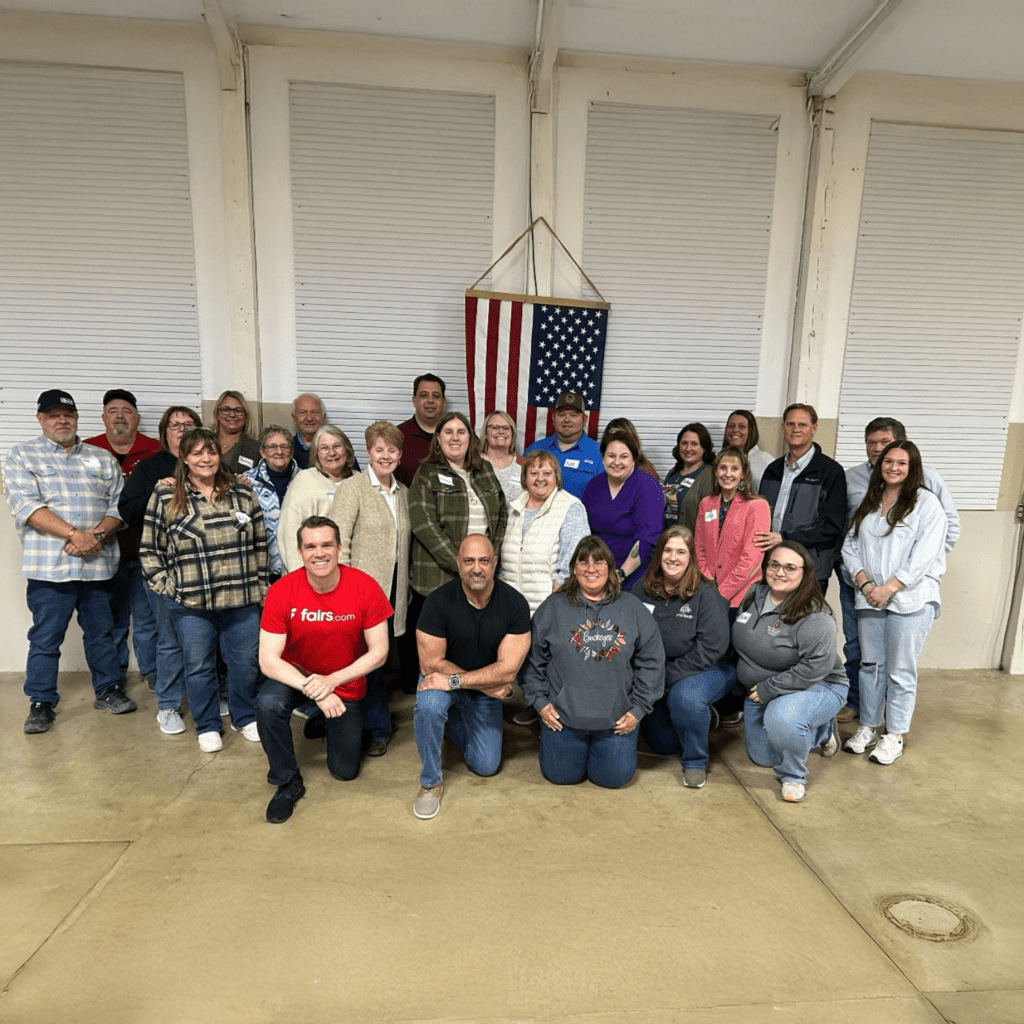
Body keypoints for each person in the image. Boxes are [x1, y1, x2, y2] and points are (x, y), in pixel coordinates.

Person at [6, 389, 136, 734]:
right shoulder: (22, 456)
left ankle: (108, 690)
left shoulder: (101, 458)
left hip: (98, 565)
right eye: (52, 415)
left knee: (102, 634)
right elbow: (27, 507)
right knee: (46, 638)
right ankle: (41, 702)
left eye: (67, 415)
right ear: (40, 419)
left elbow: (118, 507)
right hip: (50, 570)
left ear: (77, 418)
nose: (61, 421)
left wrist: (94, 536)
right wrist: (74, 534)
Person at [257, 516, 392, 823]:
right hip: (297, 677)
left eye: (326, 545)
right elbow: (268, 660)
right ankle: (286, 781)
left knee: (345, 771)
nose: (319, 553)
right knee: (268, 704)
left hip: (344, 681)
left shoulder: (365, 586)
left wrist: (332, 681)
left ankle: (323, 720)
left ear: (340, 548)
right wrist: (315, 689)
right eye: (311, 546)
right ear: (300, 552)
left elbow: (380, 651)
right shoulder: (282, 591)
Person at [141, 426, 268, 752]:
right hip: (191, 603)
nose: (206, 458)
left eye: (211, 452)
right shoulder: (166, 495)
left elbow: (258, 544)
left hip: (241, 599)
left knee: (244, 663)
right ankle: (208, 725)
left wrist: (261, 586)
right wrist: (167, 587)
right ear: (184, 457)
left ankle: (244, 717)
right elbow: (150, 549)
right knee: (199, 667)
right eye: (197, 452)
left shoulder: (241, 491)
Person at [835, 416, 959, 721]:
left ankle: (895, 729)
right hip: (865, 591)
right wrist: (865, 583)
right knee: (865, 658)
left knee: (900, 667)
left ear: (908, 460)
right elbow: (849, 540)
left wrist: (906, 576)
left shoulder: (927, 493)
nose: (884, 457)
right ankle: (866, 717)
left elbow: (939, 539)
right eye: (873, 445)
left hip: (908, 593)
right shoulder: (864, 491)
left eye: (889, 448)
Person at [521, 536, 665, 789]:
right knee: (561, 776)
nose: (591, 569)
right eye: (583, 562)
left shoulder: (632, 608)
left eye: (599, 562)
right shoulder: (553, 607)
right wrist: (540, 703)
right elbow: (532, 659)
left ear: (610, 568)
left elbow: (652, 662)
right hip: (564, 719)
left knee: (614, 779)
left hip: (616, 721)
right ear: (574, 569)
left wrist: (638, 710)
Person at [412, 536, 531, 819]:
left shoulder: (514, 604)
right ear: (458, 564)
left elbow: (507, 670)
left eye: (483, 561)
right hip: (444, 680)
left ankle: (449, 723)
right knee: (429, 706)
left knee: (487, 765)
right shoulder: (437, 602)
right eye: (469, 561)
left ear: (494, 563)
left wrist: (464, 682)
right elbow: (431, 664)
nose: (476, 569)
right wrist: (472, 684)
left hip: (473, 686)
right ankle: (430, 782)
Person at [732, 541, 846, 803]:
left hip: (817, 684)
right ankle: (819, 729)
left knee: (782, 720)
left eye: (790, 567)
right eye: (774, 564)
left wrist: (767, 689)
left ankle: (793, 776)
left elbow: (815, 667)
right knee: (763, 757)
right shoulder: (754, 594)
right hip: (761, 691)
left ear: (805, 573)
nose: (780, 572)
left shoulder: (815, 616)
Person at [118, 405, 203, 734]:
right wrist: (157, 492)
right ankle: (168, 705)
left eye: (188, 424)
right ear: (164, 431)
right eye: (175, 424)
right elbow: (127, 510)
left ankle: (203, 699)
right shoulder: (149, 468)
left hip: (202, 569)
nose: (181, 429)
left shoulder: (208, 464)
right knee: (168, 640)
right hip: (164, 570)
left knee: (202, 639)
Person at [329, 420, 411, 757]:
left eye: (392, 450)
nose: (386, 456)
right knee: (367, 661)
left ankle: (363, 722)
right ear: (368, 452)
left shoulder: (404, 493)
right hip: (361, 591)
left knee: (376, 658)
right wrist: (343, 588)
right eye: (380, 449)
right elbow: (338, 541)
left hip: (393, 590)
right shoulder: (353, 489)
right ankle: (375, 727)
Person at [633, 527, 734, 789]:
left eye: (681, 551)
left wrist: (667, 678)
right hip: (661, 671)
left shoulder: (706, 594)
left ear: (691, 557)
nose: (673, 557)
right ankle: (702, 717)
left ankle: (695, 762)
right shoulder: (642, 589)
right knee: (664, 744)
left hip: (709, 667)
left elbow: (713, 647)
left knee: (685, 697)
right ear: (659, 554)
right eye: (667, 550)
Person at [500, 449, 591, 726]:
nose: (540, 478)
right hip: (515, 597)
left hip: (548, 599)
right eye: (534, 472)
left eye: (547, 473)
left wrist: (560, 591)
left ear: (557, 477)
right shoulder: (514, 506)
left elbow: (575, 553)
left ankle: (555, 712)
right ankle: (533, 703)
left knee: (551, 660)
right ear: (525, 477)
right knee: (527, 659)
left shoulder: (569, 506)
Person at [84, 388, 162, 688]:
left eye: (127, 411)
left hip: (145, 552)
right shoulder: (87, 450)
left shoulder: (155, 451)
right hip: (103, 552)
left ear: (137, 418)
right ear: (104, 417)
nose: (120, 416)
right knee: (110, 621)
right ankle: (113, 677)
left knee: (147, 620)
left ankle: (153, 672)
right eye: (113, 411)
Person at [409, 410, 507, 600]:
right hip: (437, 579)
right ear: (438, 438)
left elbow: (501, 517)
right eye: (448, 432)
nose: (455, 438)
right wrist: (461, 564)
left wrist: (487, 561)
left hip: (481, 578)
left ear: (470, 437)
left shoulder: (484, 469)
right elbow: (424, 525)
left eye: (461, 432)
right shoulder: (426, 472)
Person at [755, 404, 846, 594]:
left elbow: (832, 525)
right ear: (783, 427)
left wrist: (784, 538)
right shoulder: (772, 470)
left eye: (802, 425)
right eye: (790, 424)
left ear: (814, 428)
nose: (796, 429)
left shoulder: (831, 472)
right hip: (774, 567)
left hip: (810, 568)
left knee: (804, 622)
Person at [581, 430, 664, 589]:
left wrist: (620, 575)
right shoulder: (594, 486)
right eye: (611, 456)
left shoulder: (648, 487)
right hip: (595, 573)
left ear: (634, 458)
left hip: (633, 577)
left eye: (624, 456)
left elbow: (647, 540)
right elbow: (584, 531)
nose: (616, 462)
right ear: (603, 457)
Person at [695, 446, 770, 609]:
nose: (727, 474)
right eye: (722, 468)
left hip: (742, 597)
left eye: (734, 469)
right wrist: (708, 583)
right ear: (715, 472)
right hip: (707, 590)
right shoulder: (706, 503)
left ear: (743, 474)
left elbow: (752, 558)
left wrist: (721, 593)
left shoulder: (757, 506)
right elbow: (699, 548)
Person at [278, 424, 356, 573]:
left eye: (337, 446)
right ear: (316, 454)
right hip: (313, 573)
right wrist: (302, 579)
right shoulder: (304, 481)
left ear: (347, 449)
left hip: (352, 575)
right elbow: (288, 535)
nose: (331, 453)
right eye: (324, 448)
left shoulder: (359, 480)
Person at [244, 425, 300, 583]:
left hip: (299, 567)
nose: (279, 452)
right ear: (262, 452)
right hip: (262, 571)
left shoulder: (305, 479)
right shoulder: (248, 481)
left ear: (291, 451)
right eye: (272, 447)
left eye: (284, 446)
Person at [524, 391, 602, 499]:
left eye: (573, 415)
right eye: (561, 415)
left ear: (585, 419)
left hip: (582, 515)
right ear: (553, 418)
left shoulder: (599, 453)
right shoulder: (535, 449)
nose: (567, 419)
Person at [662, 423, 715, 533]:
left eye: (694, 444)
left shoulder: (709, 474)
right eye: (684, 443)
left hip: (690, 543)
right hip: (668, 540)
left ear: (704, 447)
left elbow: (711, 516)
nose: (688, 448)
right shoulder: (673, 472)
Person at [396, 373, 447, 486]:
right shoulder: (397, 436)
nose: (430, 400)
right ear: (414, 401)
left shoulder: (458, 436)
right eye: (424, 395)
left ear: (443, 402)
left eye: (436, 396)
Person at [480, 409, 524, 507]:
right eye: (495, 427)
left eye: (506, 428)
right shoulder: (474, 463)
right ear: (486, 434)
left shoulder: (524, 464)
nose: (501, 431)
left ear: (512, 434)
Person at [722, 409, 774, 491]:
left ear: (751, 431)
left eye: (742, 426)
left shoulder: (766, 461)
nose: (735, 430)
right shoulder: (720, 460)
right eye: (731, 426)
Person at [210, 389, 261, 474]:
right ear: (217, 414)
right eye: (226, 409)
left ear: (246, 417)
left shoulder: (256, 449)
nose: (232, 415)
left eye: (238, 410)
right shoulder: (204, 443)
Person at [289, 393, 327, 470]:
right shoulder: (286, 449)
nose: (309, 418)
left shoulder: (337, 448)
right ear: (294, 418)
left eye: (315, 412)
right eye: (302, 413)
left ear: (323, 417)